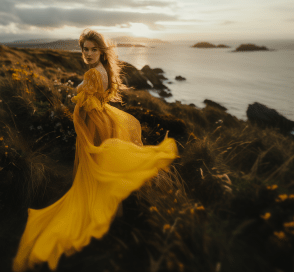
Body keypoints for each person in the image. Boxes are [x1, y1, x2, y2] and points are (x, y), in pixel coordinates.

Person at [12, 29, 179, 272]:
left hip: (94, 123)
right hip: (105, 119)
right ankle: (114, 216)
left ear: (101, 51)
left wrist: (79, 105)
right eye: (85, 49)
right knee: (103, 166)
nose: (88, 54)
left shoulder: (92, 73)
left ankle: (102, 216)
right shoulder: (106, 70)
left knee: (95, 169)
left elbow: (86, 103)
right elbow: (97, 97)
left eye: (93, 49)